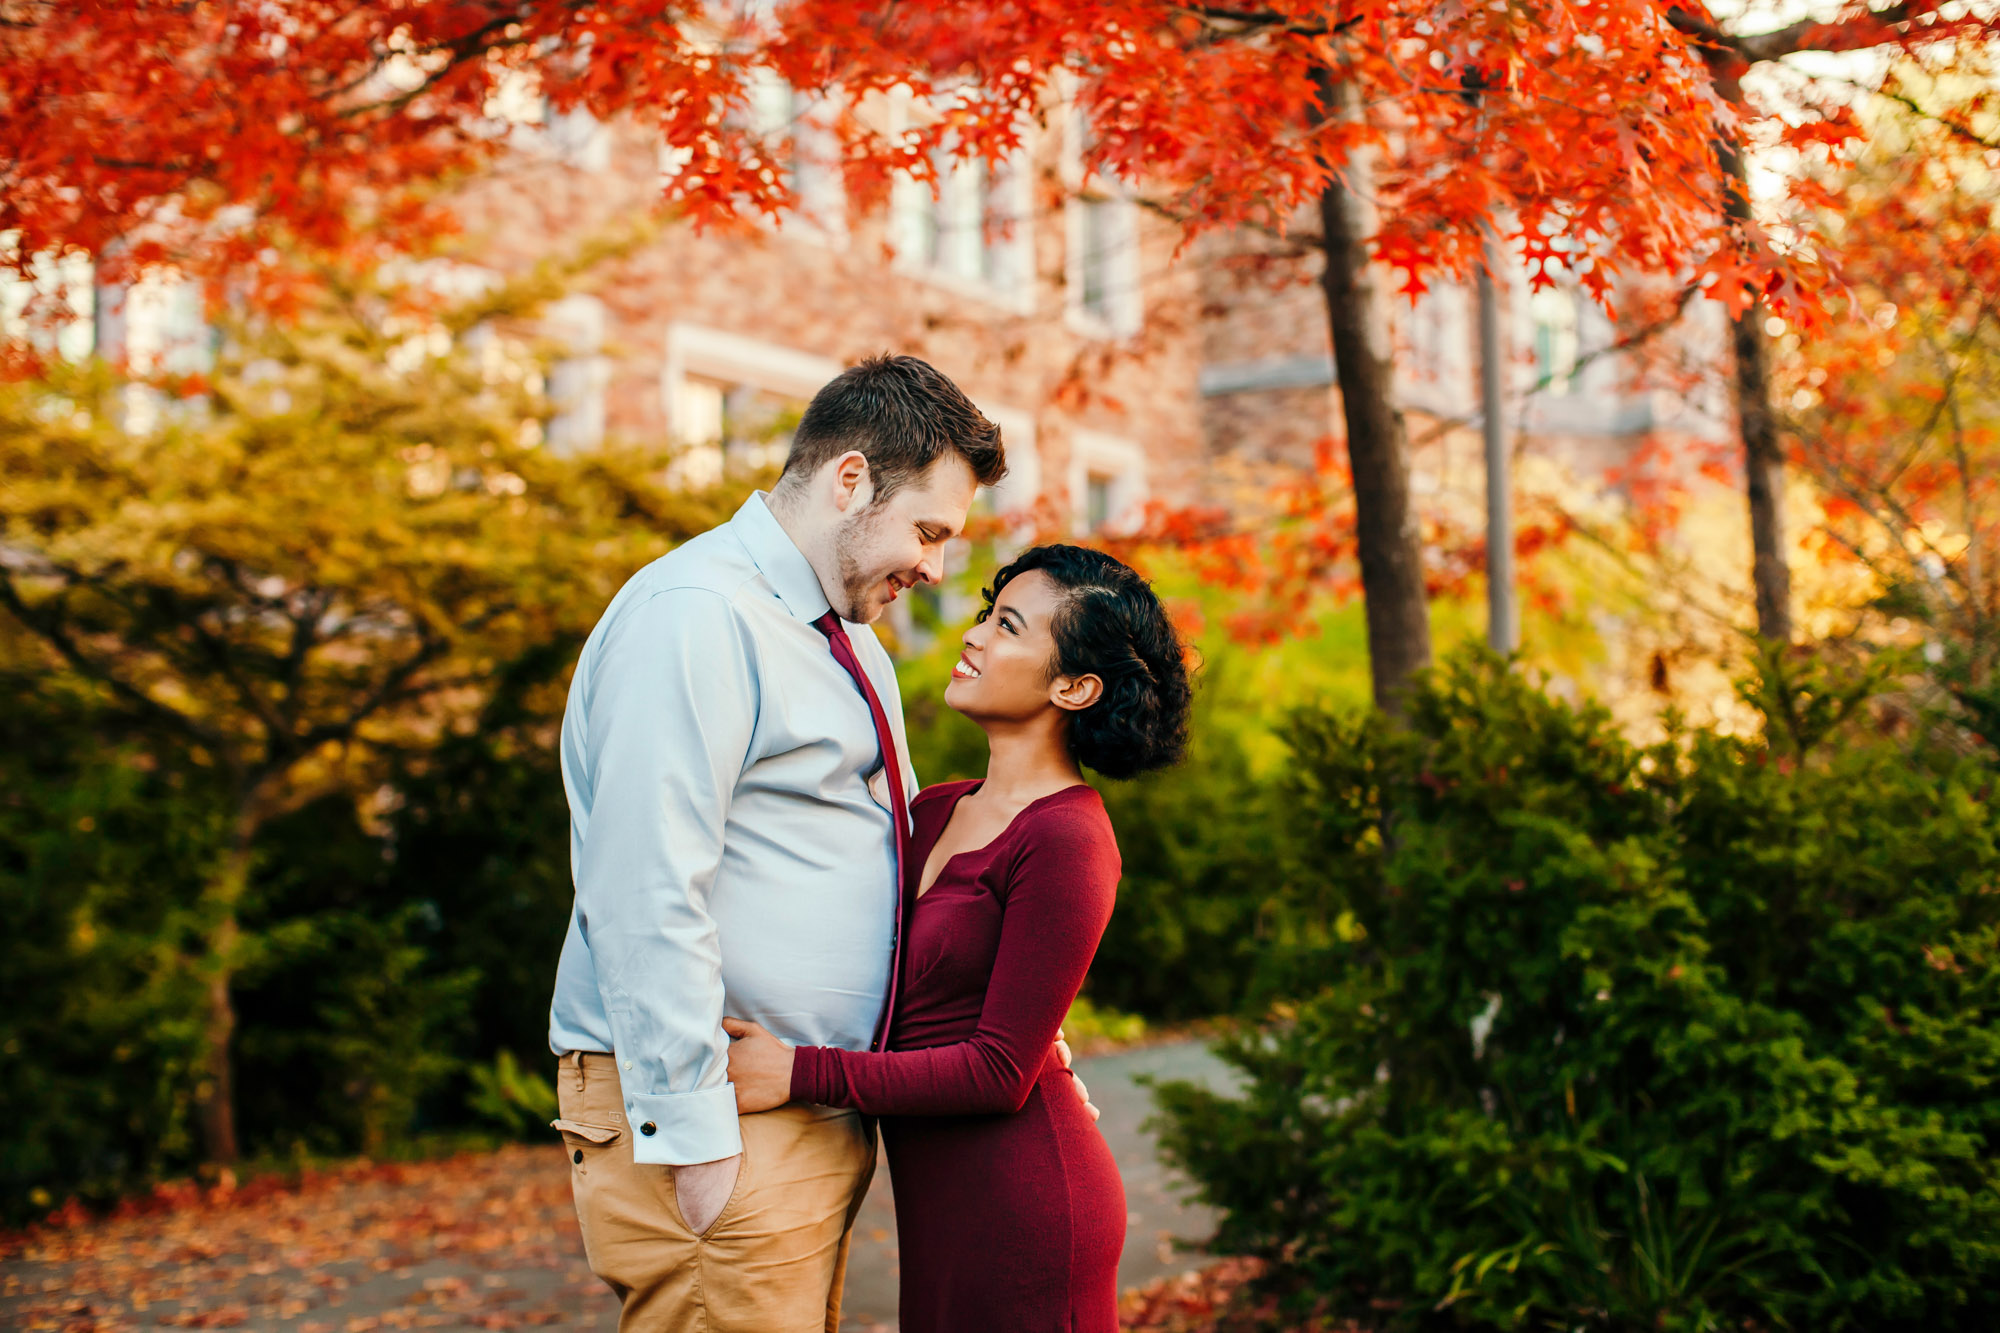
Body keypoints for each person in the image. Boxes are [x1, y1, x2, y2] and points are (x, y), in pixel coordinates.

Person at [548, 354, 1098, 1332]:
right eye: (927, 530)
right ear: (850, 480)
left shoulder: (844, 639)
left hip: (800, 1117)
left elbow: (889, 868)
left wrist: (1006, 1010)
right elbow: (645, 887)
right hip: (722, 1117)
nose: (936, 568)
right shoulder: (700, 618)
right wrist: (698, 1146)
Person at [724, 544, 1194, 1333]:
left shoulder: (1070, 838)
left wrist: (797, 1071)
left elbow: (998, 1073)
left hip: (1026, 1208)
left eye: (1007, 625)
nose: (974, 635)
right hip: (944, 1207)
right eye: (987, 613)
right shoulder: (935, 809)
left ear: (1074, 686)